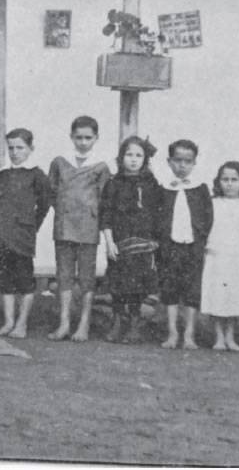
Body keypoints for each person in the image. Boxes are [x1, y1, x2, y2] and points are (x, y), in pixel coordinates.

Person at [47, 116, 110, 342]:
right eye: (79, 137)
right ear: (71, 137)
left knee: (86, 277)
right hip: (64, 227)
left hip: (88, 229)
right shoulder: (60, 162)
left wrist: (90, 214)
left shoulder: (101, 166)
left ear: (96, 138)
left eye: (88, 138)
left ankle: (83, 324)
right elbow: (52, 192)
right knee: (63, 275)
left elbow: (104, 199)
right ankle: (64, 323)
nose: (83, 142)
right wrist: (65, 211)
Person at [100, 136, 161, 344]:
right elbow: (106, 214)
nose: (133, 159)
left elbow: (156, 213)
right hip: (120, 242)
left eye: (138, 155)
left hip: (143, 245)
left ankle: (134, 324)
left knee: (136, 286)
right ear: (121, 157)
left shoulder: (151, 184)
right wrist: (109, 242)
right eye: (129, 154)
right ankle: (117, 321)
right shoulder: (113, 183)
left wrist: (155, 241)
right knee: (118, 285)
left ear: (145, 159)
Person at [0, 128, 51, 339]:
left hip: (23, 235)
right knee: (6, 279)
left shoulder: (36, 174)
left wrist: (32, 226)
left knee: (24, 279)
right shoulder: (3, 175)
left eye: (20, 148)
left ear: (30, 149)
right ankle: (8, 322)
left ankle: (22, 323)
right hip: (3, 234)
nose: (15, 152)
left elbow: (44, 204)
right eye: (11, 148)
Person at [157, 139, 213, 350]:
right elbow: (158, 216)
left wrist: (201, 239)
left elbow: (208, 217)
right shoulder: (163, 188)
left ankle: (189, 333)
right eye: (178, 160)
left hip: (193, 246)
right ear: (169, 161)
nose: (182, 165)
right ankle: (172, 331)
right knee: (170, 287)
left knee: (192, 289)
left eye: (187, 161)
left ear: (194, 163)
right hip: (170, 246)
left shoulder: (200, 189)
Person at [201, 161, 239, 351]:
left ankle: (230, 336)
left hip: (237, 257)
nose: (229, 184)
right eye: (225, 179)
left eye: (234, 180)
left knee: (234, 296)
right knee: (217, 296)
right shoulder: (212, 204)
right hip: (217, 256)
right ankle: (218, 337)